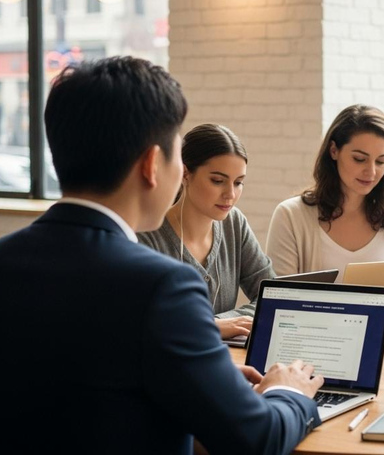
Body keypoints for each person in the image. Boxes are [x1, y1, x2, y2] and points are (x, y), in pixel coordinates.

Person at [0, 56, 323, 454]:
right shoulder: (162, 285)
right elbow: (258, 438)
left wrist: (203, 377)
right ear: (153, 164)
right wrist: (290, 392)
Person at [139, 123, 273, 341]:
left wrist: (222, 323)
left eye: (239, 183)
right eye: (217, 181)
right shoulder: (147, 234)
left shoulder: (234, 223)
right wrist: (210, 326)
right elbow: (141, 322)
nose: (230, 194)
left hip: (225, 359)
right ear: (185, 173)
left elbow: (271, 296)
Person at [266, 104, 384, 280]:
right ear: (334, 151)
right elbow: (279, 300)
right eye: (359, 159)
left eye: (380, 161)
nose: (371, 172)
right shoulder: (290, 216)